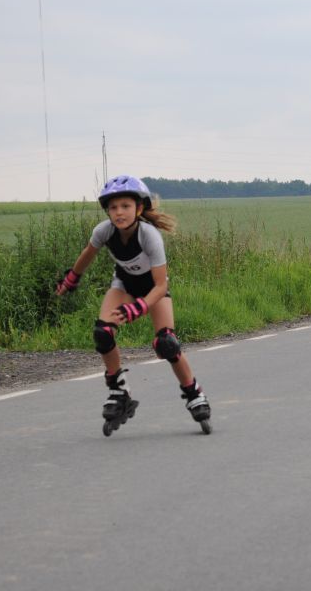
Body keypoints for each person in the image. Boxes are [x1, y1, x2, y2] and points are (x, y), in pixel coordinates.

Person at [55, 175, 212, 435]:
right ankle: (119, 390)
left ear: (139, 208)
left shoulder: (149, 236)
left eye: (125, 206)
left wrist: (139, 307)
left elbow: (160, 286)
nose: (119, 212)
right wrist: (72, 278)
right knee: (102, 334)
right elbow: (87, 254)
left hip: (153, 291)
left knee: (167, 344)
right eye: (113, 207)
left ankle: (194, 393)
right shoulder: (103, 231)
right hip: (124, 286)